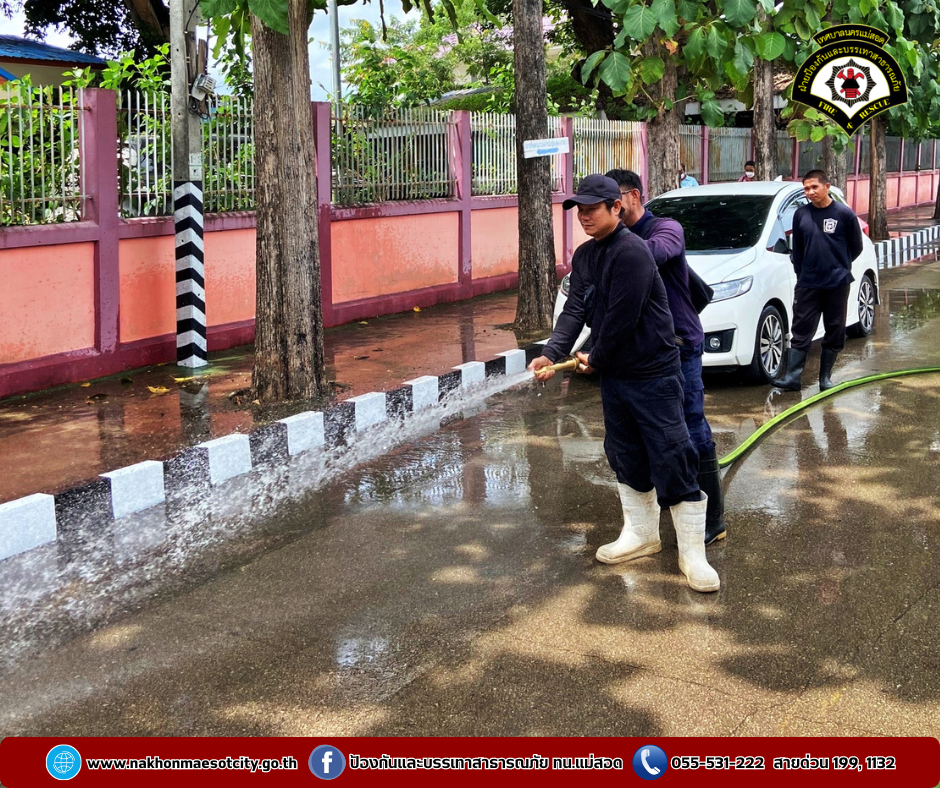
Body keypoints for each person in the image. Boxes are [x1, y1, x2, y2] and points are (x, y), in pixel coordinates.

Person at [527, 174, 719, 593]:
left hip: (653, 373)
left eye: (592, 209)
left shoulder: (632, 252)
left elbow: (621, 318)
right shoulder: (585, 255)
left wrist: (596, 358)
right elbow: (575, 310)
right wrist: (552, 351)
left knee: (672, 454)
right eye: (579, 210)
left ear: (617, 207)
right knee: (624, 452)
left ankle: (693, 554)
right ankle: (642, 535)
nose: (584, 217)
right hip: (617, 377)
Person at [606, 168, 726, 545]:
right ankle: (653, 521)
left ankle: (712, 520)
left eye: (615, 200)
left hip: (680, 344)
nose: (610, 208)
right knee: (646, 434)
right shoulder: (610, 240)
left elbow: (656, 253)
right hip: (641, 352)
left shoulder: (666, 229)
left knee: (690, 426)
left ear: (634, 197)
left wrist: (613, 246)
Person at [773, 169, 864, 391]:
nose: (810, 192)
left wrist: (838, 266)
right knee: (801, 329)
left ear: (827, 186)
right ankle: (792, 377)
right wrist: (802, 273)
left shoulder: (844, 214)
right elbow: (798, 249)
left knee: (835, 329)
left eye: (814, 187)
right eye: (806, 188)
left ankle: (825, 379)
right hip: (808, 284)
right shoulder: (801, 214)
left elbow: (856, 247)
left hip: (837, 283)